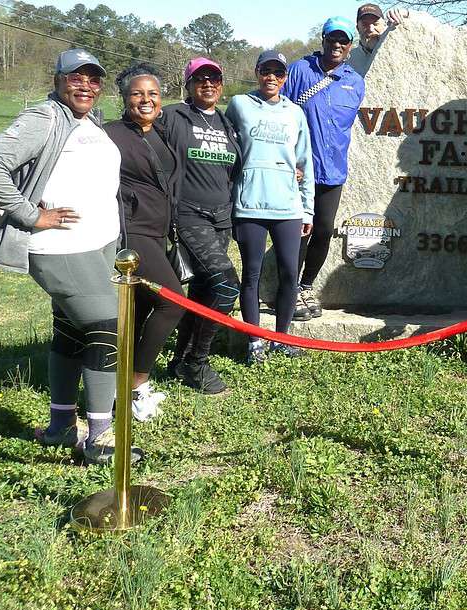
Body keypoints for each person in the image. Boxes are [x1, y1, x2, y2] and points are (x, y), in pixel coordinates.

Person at [0, 49, 139, 465]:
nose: (86, 85)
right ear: (58, 78)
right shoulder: (44, 118)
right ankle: (100, 438)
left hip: (98, 244)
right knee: (107, 326)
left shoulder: (86, 121)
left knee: (70, 331)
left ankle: (60, 427)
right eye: (76, 77)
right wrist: (30, 214)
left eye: (94, 79)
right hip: (60, 247)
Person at [104, 62, 185, 421]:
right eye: (137, 93)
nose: (146, 99)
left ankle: (116, 390)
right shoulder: (110, 134)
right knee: (173, 303)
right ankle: (137, 385)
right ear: (125, 98)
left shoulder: (163, 132)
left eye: (152, 93)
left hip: (159, 230)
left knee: (135, 312)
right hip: (132, 231)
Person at [225, 50, 315, 363]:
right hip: (250, 205)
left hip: (288, 208)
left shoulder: (295, 113)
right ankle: (255, 341)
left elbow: (305, 163)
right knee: (251, 274)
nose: (271, 78)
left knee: (290, 272)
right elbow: (226, 147)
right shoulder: (239, 105)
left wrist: (308, 209)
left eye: (278, 72)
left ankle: (281, 338)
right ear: (257, 72)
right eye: (266, 71)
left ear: (286, 77)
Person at [162, 57, 242, 395]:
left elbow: (235, 168)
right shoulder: (174, 116)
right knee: (227, 287)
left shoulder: (226, 123)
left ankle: (180, 359)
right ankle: (198, 362)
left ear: (221, 85)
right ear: (189, 85)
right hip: (189, 215)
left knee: (203, 292)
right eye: (200, 79)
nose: (207, 84)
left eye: (214, 79)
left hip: (221, 218)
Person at [284, 16, 366, 320]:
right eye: (332, 39)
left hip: (333, 173)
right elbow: (282, 115)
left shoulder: (354, 82)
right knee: (296, 233)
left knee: (323, 231)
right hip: (299, 171)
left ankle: (306, 286)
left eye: (343, 40)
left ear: (349, 46)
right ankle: (288, 290)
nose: (337, 45)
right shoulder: (298, 71)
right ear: (323, 39)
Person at [348, 2, 408, 75]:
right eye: (365, 24)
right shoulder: (349, 59)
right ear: (357, 28)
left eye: (376, 24)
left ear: (384, 24)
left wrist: (407, 13)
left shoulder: (398, 48)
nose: (371, 29)